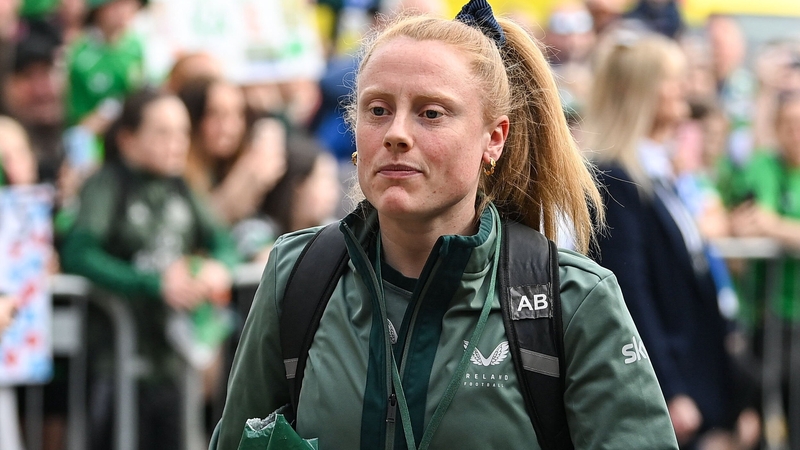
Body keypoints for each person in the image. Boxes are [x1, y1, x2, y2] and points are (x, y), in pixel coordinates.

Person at [211, 1, 678, 449]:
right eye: (377, 110)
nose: (396, 132)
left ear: (493, 138)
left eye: (431, 113)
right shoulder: (297, 278)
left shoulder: (571, 302)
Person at [587, 33, 758, 449]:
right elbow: (628, 294)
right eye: (671, 78)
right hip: (670, 385)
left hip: (699, 376)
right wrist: (669, 387)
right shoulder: (617, 177)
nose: (684, 87)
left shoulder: (659, 175)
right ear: (639, 90)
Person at [59, 87, 239, 450]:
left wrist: (217, 267)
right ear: (127, 139)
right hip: (115, 364)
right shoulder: (106, 184)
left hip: (172, 360)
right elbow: (78, 253)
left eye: (183, 133)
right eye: (162, 132)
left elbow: (223, 240)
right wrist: (151, 283)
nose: (176, 143)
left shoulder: (180, 186)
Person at [179, 77, 286, 226]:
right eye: (215, 114)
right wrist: (247, 174)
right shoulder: (179, 173)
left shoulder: (230, 161)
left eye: (238, 114)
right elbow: (206, 226)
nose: (229, 127)